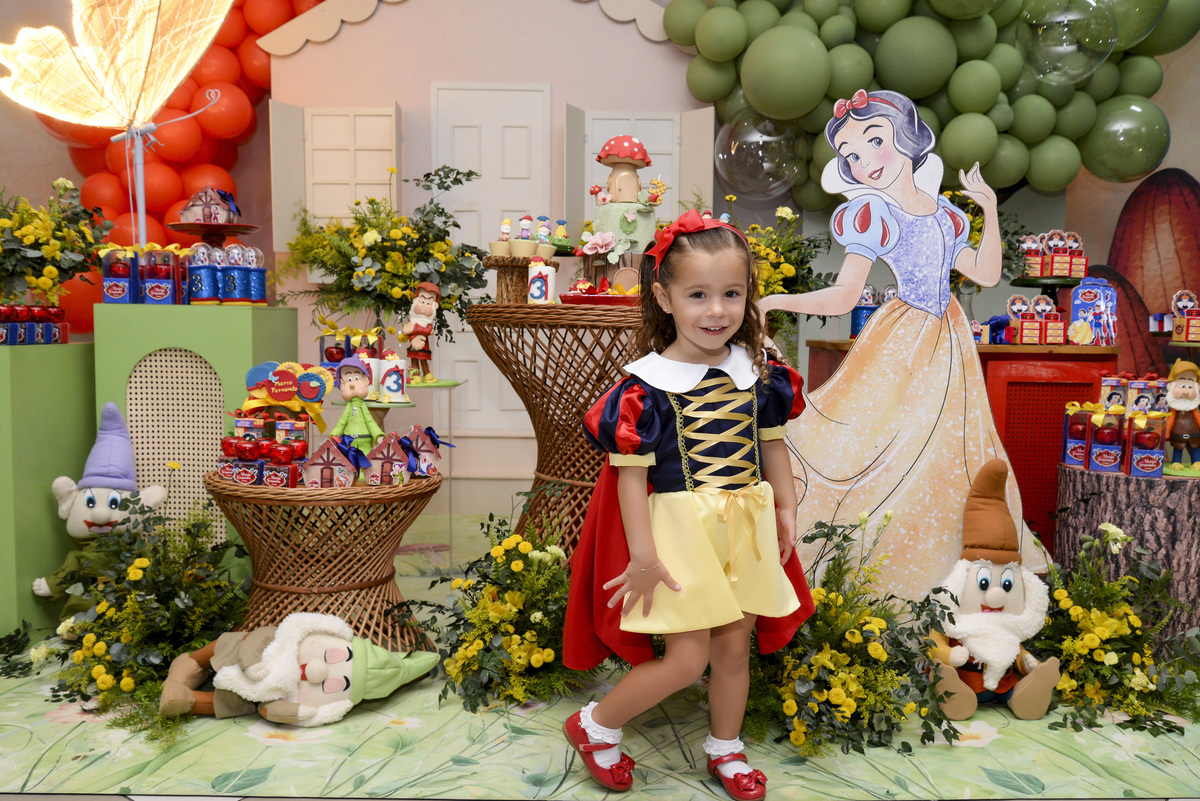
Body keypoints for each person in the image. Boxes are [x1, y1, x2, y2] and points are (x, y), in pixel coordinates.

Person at [563, 210, 815, 799]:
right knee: (686, 659)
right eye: (697, 295)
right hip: (680, 531)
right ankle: (596, 725)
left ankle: (726, 748)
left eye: (732, 294)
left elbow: (772, 446)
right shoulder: (644, 387)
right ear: (664, 298)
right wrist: (643, 556)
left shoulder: (759, 374)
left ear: (748, 296)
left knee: (733, 649)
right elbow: (629, 481)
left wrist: (785, 510)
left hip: (746, 527)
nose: (716, 311)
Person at [758, 89, 1046, 600]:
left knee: (949, 452)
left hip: (950, 344)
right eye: (851, 154)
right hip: (902, 341)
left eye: (875, 141)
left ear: (909, 140)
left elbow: (985, 273)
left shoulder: (947, 215)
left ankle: (942, 576)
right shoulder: (873, 213)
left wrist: (989, 209)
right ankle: (875, 579)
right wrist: (776, 300)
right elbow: (844, 296)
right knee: (880, 446)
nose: (864, 160)